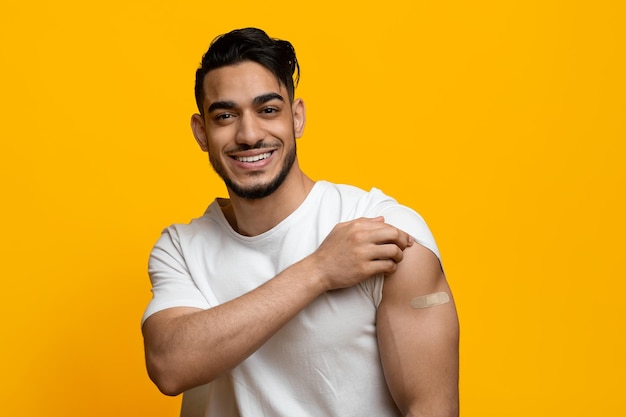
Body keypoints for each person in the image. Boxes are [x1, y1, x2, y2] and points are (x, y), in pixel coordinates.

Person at [142, 27, 459, 417]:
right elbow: (170, 366)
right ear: (201, 132)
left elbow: (431, 408)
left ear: (296, 118)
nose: (249, 133)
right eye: (225, 116)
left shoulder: (383, 231)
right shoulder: (181, 249)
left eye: (268, 110)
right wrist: (320, 270)